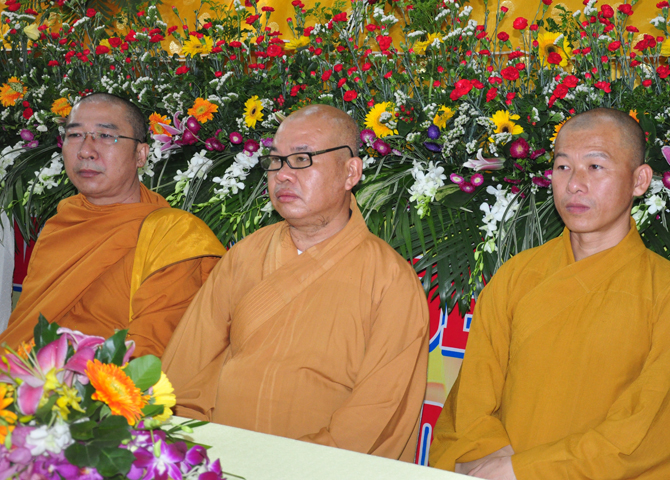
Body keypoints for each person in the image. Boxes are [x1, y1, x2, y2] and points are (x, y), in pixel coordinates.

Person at [429, 108, 670, 479]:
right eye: (563, 167)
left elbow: (653, 434)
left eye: (595, 167)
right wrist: (491, 459)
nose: (574, 184)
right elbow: (471, 401)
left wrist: (525, 470)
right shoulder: (517, 275)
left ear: (639, 180)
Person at [162, 104, 429, 462]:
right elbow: (185, 371)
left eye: (302, 159)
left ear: (350, 172)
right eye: (275, 160)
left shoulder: (390, 280)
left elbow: (379, 414)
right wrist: (191, 449)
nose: (283, 175)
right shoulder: (244, 255)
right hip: (218, 460)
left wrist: (291, 465)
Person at [1, 93, 226, 358]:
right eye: (75, 135)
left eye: (106, 136)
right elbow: (24, 331)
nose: (85, 151)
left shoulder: (175, 236)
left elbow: (151, 353)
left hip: (107, 381)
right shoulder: (61, 224)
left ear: (140, 154)